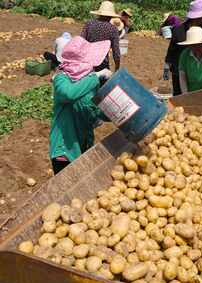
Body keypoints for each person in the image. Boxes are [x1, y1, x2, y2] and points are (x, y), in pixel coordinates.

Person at [49, 36, 113, 174]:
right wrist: (95, 76)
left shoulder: (88, 83)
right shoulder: (61, 79)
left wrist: (118, 111)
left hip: (84, 144)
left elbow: (96, 110)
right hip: (64, 148)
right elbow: (69, 94)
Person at [165, 0, 202, 96]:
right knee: (180, 96)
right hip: (179, 69)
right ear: (196, 16)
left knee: (198, 97)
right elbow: (172, 50)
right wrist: (167, 66)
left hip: (199, 69)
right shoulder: (179, 30)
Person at [81, 1, 121, 72]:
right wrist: (117, 68)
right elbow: (116, 53)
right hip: (102, 64)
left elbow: (81, 42)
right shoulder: (113, 29)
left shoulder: (89, 24)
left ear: (99, 14)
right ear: (111, 16)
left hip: (86, 61)